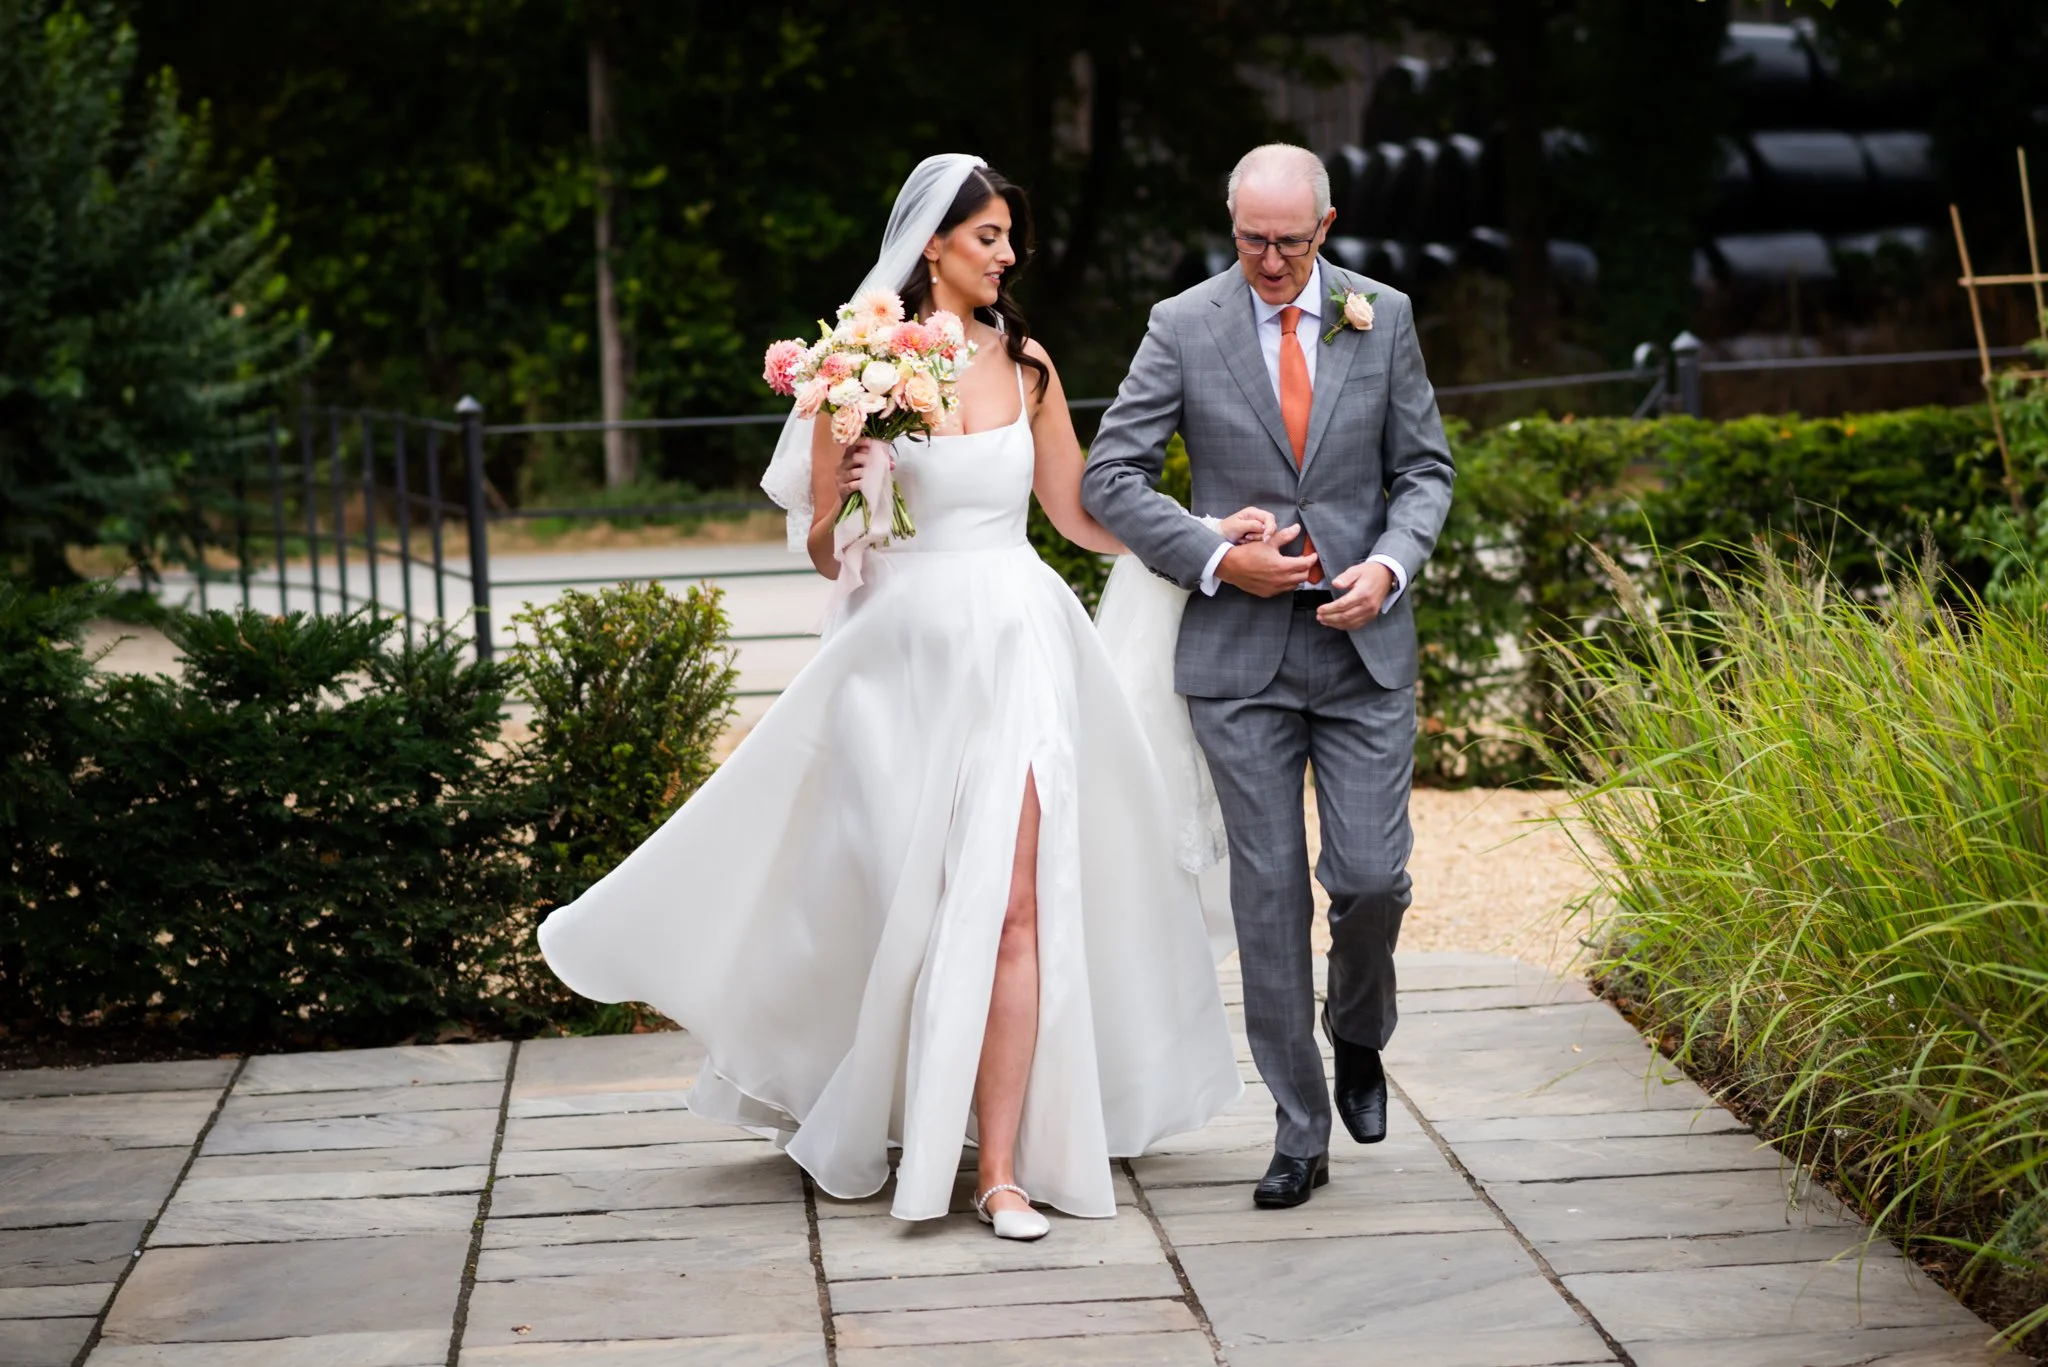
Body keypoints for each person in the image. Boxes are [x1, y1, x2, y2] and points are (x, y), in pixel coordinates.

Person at [538, 154, 1253, 1240]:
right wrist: (859, 496)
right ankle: (896, 1108)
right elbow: (823, 552)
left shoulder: (1030, 365)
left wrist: (1202, 537)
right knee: (905, 906)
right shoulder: (862, 361)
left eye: (1010, 238)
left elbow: (1077, 515)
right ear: (933, 245)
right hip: (897, 664)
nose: (1006, 255)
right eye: (987, 238)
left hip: (1016, 642)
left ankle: (1002, 1168)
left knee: (1015, 902)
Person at [1082, 143, 1456, 1210]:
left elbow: (1423, 468)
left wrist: (1387, 566)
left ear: (1326, 225)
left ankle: (1357, 1028)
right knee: (1267, 893)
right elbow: (1112, 472)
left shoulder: (1380, 315)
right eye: (1252, 239)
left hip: (1359, 644)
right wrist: (1211, 552)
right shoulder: (1183, 322)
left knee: (1371, 877)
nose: (1271, 261)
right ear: (1231, 223)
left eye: (1290, 242)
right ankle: (1298, 1127)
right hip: (1235, 659)